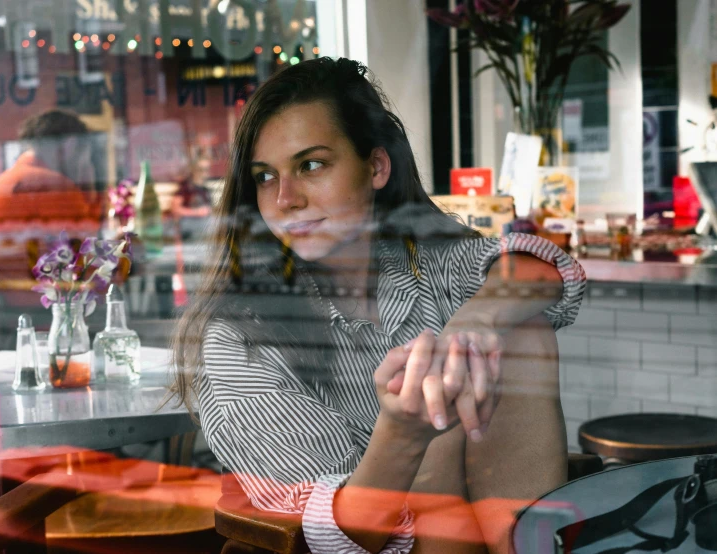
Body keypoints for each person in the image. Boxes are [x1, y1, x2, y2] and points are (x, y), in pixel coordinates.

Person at [172, 58, 585, 554]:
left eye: (311, 165)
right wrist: (405, 431)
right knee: (439, 399)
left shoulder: (419, 262)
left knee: (517, 327)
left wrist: (471, 324)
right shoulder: (239, 340)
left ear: (376, 166)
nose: (285, 199)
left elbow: (540, 267)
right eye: (264, 177)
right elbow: (332, 535)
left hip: (477, 532)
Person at [0, 109, 102, 280]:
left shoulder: (9, 179)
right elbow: (85, 264)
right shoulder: (55, 187)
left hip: (2, 297)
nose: (88, 163)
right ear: (70, 145)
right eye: (86, 156)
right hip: (36, 300)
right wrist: (89, 193)